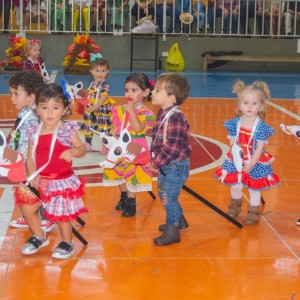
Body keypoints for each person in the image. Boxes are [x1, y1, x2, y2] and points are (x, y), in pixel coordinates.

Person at [15, 83, 88, 259]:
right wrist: (32, 176)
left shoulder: (66, 130)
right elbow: (31, 156)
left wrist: (73, 151)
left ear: (64, 110)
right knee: (27, 209)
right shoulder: (34, 130)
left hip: (60, 181)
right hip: (40, 180)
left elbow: (81, 148)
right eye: (44, 107)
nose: (49, 113)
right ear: (37, 109)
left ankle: (67, 242)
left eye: (55, 108)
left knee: (62, 215)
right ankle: (40, 235)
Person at [214, 80, 280, 225]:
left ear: (261, 106)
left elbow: (259, 148)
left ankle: (253, 211)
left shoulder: (261, 127)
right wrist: (236, 158)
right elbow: (232, 142)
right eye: (245, 103)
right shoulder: (234, 123)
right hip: (237, 160)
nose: (249, 107)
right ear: (239, 105)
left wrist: (251, 164)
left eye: (254, 104)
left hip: (254, 161)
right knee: (236, 186)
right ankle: (234, 207)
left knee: (254, 188)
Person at [8, 70, 56, 233]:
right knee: (27, 189)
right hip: (23, 160)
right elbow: (18, 136)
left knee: (40, 189)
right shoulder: (25, 112)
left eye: (16, 94)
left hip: (36, 163)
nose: (12, 98)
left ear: (31, 96)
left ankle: (47, 217)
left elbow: (37, 144)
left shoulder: (37, 116)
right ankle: (31, 214)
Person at [101, 73, 155, 217]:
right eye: (127, 90)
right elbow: (115, 128)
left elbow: (138, 129)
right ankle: (124, 195)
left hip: (134, 147)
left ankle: (131, 201)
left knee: (133, 173)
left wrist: (132, 112)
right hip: (119, 146)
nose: (129, 93)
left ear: (145, 92)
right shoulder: (120, 109)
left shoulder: (146, 112)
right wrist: (107, 143)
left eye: (134, 90)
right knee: (117, 171)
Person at [146, 73, 191, 246]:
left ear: (171, 98)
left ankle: (173, 231)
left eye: (157, 90)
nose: (153, 92)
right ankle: (179, 220)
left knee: (168, 197)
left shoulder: (175, 118)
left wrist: (154, 162)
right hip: (166, 165)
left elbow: (172, 147)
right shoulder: (163, 113)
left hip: (174, 166)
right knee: (165, 194)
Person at [79, 55, 115, 150]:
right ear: (92, 71)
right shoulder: (92, 84)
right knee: (89, 126)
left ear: (107, 72)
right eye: (97, 70)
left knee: (104, 129)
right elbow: (90, 97)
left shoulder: (105, 85)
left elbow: (101, 101)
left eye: (103, 71)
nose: (100, 73)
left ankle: (106, 146)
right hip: (92, 108)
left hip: (101, 110)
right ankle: (88, 144)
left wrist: (92, 108)